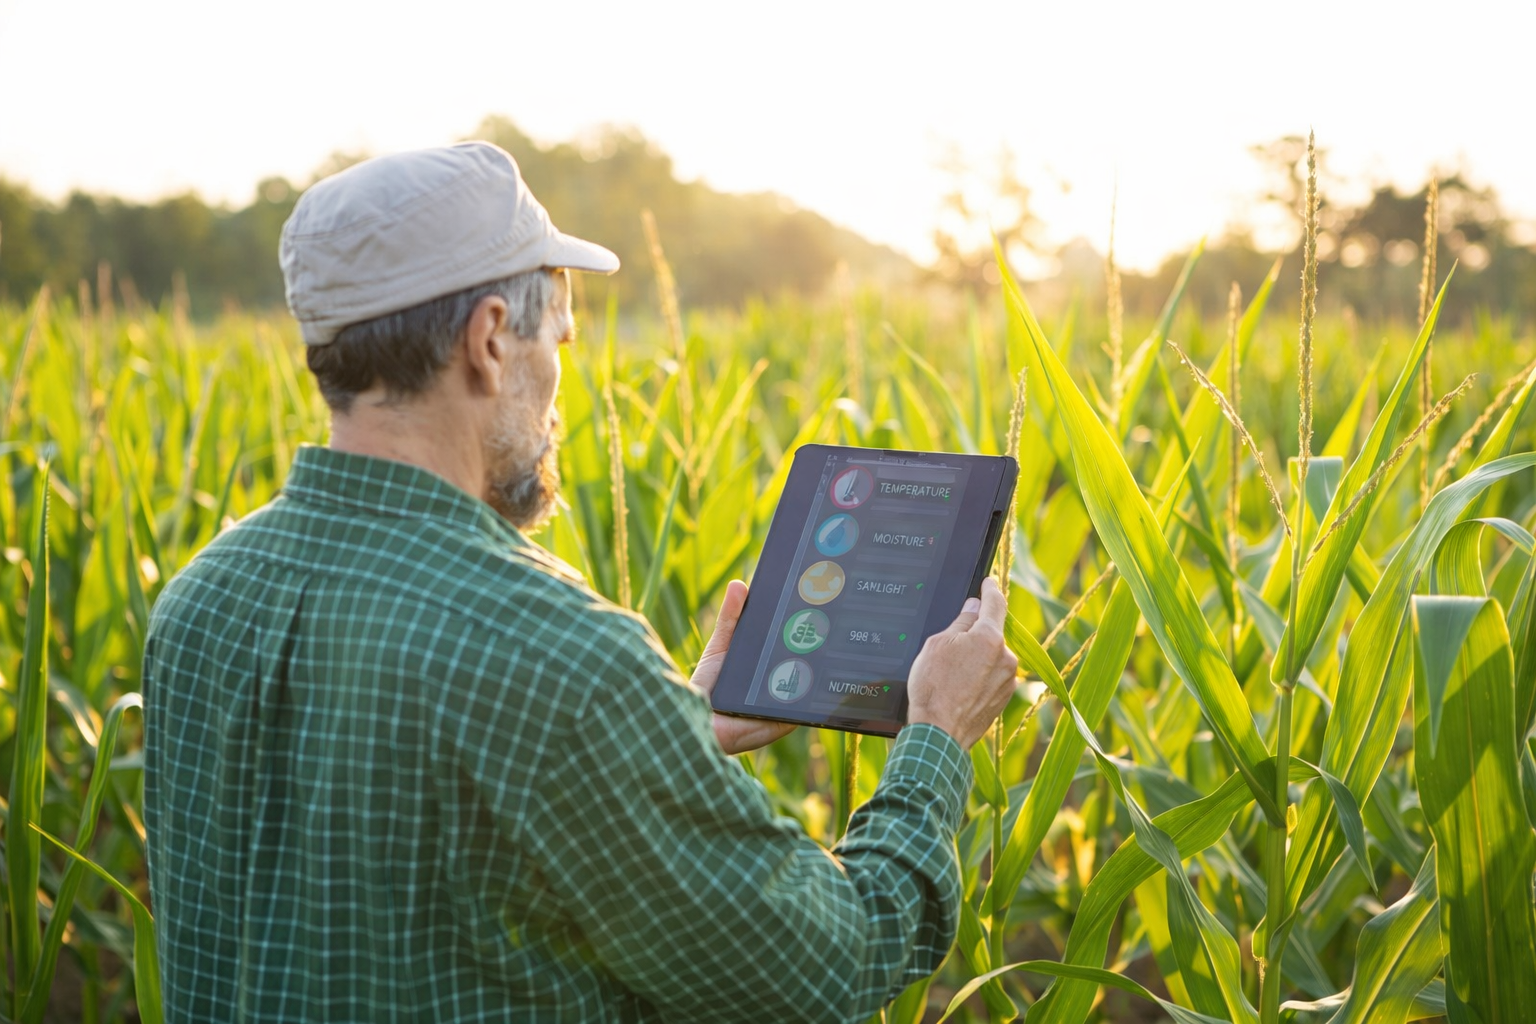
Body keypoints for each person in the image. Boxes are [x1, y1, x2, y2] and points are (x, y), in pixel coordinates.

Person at [143, 141, 1019, 1023]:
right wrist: (937, 737)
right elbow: (828, 964)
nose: (562, 375)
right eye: (559, 332)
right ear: (489, 340)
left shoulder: (201, 599)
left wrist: (668, 737)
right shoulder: (562, 660)